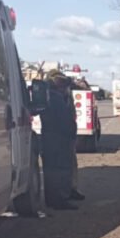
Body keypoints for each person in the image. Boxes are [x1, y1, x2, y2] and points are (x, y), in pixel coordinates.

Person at [39, 73, 78, 210]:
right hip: (58, 139)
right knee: (58, 171)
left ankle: (58, 198)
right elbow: (63, 120)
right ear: (61, 86)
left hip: (54, 138)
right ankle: (58, 199)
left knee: (55, 170)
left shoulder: (52, 97)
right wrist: (70, 133)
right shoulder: (55, 99)